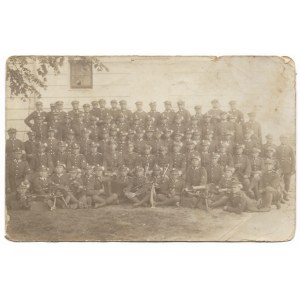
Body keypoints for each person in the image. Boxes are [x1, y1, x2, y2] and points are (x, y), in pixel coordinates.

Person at [276, 134, 295, 200]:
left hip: (287, 167)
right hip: (280, 167)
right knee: (278, 182)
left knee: (287, 182)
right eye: (282, 139)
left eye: (285, 139)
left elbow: (293, 159)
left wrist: (293, 169)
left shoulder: (290, 148)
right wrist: (277, 168)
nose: (283, 140)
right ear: (280, 140)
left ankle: (285, 195)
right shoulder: (277, 148)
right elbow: (276, 158)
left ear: (287, 140)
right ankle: (279, 196)